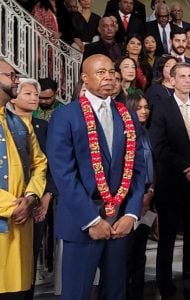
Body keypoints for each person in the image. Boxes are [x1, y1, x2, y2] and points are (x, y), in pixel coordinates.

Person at [46, 54, 146, 300]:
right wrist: (92, 221)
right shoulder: (65, 116)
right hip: (82, 224)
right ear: (85, 79)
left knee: (116, 293)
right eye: (101, 72)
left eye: (112, 72)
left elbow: (138, 169)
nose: (109, 77)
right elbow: (63, 174)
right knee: (76, 294)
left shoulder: (128, 115)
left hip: (119, 222)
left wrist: (131, 214)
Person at [149, 62, 190, 300]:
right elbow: (158, 146)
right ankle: (166, 288)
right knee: (166, 239)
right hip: (171, 183)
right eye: (182, 76)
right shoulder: (161, 108)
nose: (187, 80)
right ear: (172, 80)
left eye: (189, 76)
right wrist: (187, 168)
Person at [0, 59, 47, 299]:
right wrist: (11, 206)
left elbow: (39, 163)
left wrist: (31, 197)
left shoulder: (18, 123)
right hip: (8, 217)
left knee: (19, 291)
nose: (16, 80)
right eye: (11, 75)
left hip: (20, 227)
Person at [8, 78, 58, 300]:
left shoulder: (41, 126)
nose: (34, 98)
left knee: (29, 259)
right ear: (14, 96)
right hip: (9, 204)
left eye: (36, 94)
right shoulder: (6, 124)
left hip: (34, 202)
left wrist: (40, 197)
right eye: (27, 94)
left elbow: (48, 164)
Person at [125, 90, 155, 300]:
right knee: (126, 254)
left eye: (146, 107)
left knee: (139, 254)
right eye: (139, 108)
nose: (144, 112)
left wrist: (151, 193)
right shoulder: (126, 132)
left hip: (148, 195)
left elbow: (155, 166)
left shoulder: (147, 132)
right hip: (129, 198)